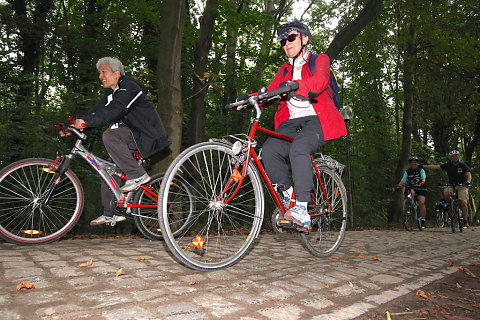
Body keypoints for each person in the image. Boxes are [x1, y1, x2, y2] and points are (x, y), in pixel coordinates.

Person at [239, 21, 347, 232]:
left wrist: (297, 85)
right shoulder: (285, 69)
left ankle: (302, 209)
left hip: (317, 119)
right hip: (291, 123)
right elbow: (269, 93)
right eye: (282, 41)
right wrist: (247, 99)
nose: (286, 43)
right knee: (268, 151)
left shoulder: (320, 59)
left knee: (299, 149)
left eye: (291, 38)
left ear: (304, 39)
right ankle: (290, 197)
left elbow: (320, 82)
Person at [73, 57, 171, 226]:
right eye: (99, 73)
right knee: (108, 170)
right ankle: (110, 213)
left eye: (103, 72)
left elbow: (115, 110)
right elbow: (98, 111)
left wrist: (87, 123)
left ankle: (138, 175)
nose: (100, 76)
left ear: (116, 73)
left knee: (110, 135)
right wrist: (77, 124)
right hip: (129, 140)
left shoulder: (130, 88)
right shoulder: (111, 93)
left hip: (145, 137)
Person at [423, 150, 472, 228]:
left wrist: (468, 182)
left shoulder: (463, 165)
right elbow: (436, 167)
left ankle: (465, 220)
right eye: (452, 156)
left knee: (462, 201)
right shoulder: (448, 165)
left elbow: (469, 175)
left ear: (458, 156)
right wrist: (423, 166)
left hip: (462, 185)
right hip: (452, 185)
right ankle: (451, 205)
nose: (454, 157)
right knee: (446, 193)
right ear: (450, 158)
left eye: (456, 155)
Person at [396, 156, 427, 228]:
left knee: (421, 203)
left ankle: (423, 219)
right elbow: (403, 180)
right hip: (412, 187)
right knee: (410, 192)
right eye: (412, 162)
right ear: (410, 164)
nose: (414, 164)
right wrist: (399, 184)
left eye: (415, 162)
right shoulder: (408, 171)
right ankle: (410, 206)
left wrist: (422, 181)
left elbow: (423, 177)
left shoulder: (421, 170)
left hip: (421, 188)